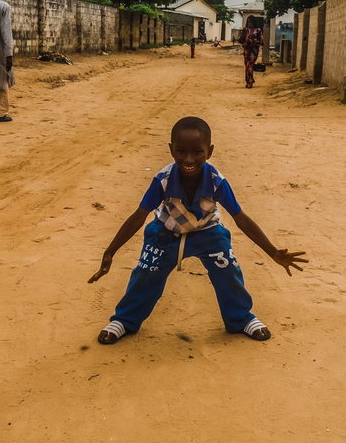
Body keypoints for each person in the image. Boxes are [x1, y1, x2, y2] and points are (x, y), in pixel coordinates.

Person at [88, 116, 307, 344]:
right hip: (165, 233)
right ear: (171, 149)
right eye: (181, 151)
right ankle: (125, 320)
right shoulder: (162, 180)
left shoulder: (216, 181)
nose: (189, 159)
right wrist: (110, 251)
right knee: (145, 275)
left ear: (209, 151)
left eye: (197, 152)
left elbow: (240, 218)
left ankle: (241, 319)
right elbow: (138, 216)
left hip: (207, 233)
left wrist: (273, 252)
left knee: (228, 272)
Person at [241, 18, 263, 88]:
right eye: (248, 21)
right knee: (247, 65)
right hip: (246, 50)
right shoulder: (245, 30)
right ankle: (249, 80)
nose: (249, 23)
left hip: (254, 50)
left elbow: (261, 41)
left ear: (254, 22)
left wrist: (253, 41)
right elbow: (241, 40)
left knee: (250, 64)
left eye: (250, 21)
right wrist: (244, 41)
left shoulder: (258, 30)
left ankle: (249, 82)